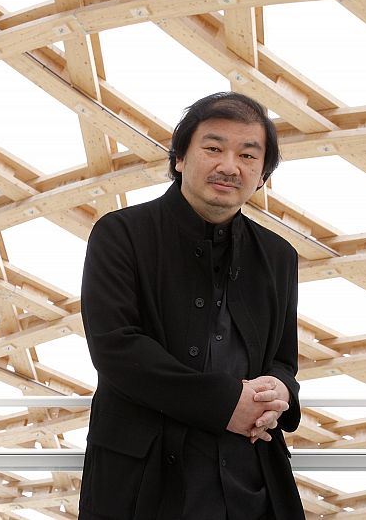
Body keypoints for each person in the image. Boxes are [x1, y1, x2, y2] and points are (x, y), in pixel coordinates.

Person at [78, 92, 304, 519]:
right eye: (214, 148)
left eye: (247, 155)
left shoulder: (279, 256)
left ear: (261, 175)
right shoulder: (120, 234)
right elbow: (116, 348)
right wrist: (225, 404)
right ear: (180, 157)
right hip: (144, 482)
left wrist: (280, 391)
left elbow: (282, 359)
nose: (229, 166)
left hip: (250, 478)